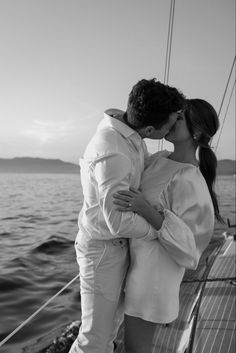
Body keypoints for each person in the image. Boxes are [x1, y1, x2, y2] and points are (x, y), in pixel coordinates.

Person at [68, 78, 186, 353]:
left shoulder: (129, 135)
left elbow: (144, 170)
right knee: (94, 340)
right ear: (149, 128)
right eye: (169, 124)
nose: (172, 128)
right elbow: (118, 221)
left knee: (109, 331)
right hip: (103, 251)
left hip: (118, 247)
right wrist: (158, 228)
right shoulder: (114, 151)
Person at [113, 98, 223, 353]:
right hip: (135, 266)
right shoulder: (160, 158)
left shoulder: (189, 178)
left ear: (195, 132)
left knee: (135, 350)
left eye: (180, 117)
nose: (172, 119)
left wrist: (144, 208)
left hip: (154, 278)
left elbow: (189, 248)